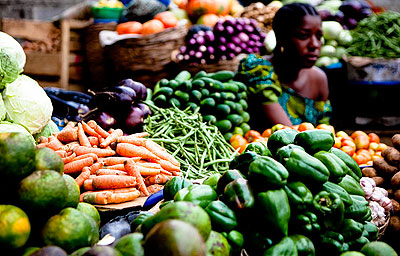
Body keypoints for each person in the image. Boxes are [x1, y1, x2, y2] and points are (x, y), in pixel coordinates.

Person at [235, 2, 332, 131]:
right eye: (303, 36)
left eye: (319, 36)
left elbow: (325, 133)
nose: (314, 44)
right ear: (281, 37)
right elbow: (288, 134)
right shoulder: (258, 70)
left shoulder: (319, 79)